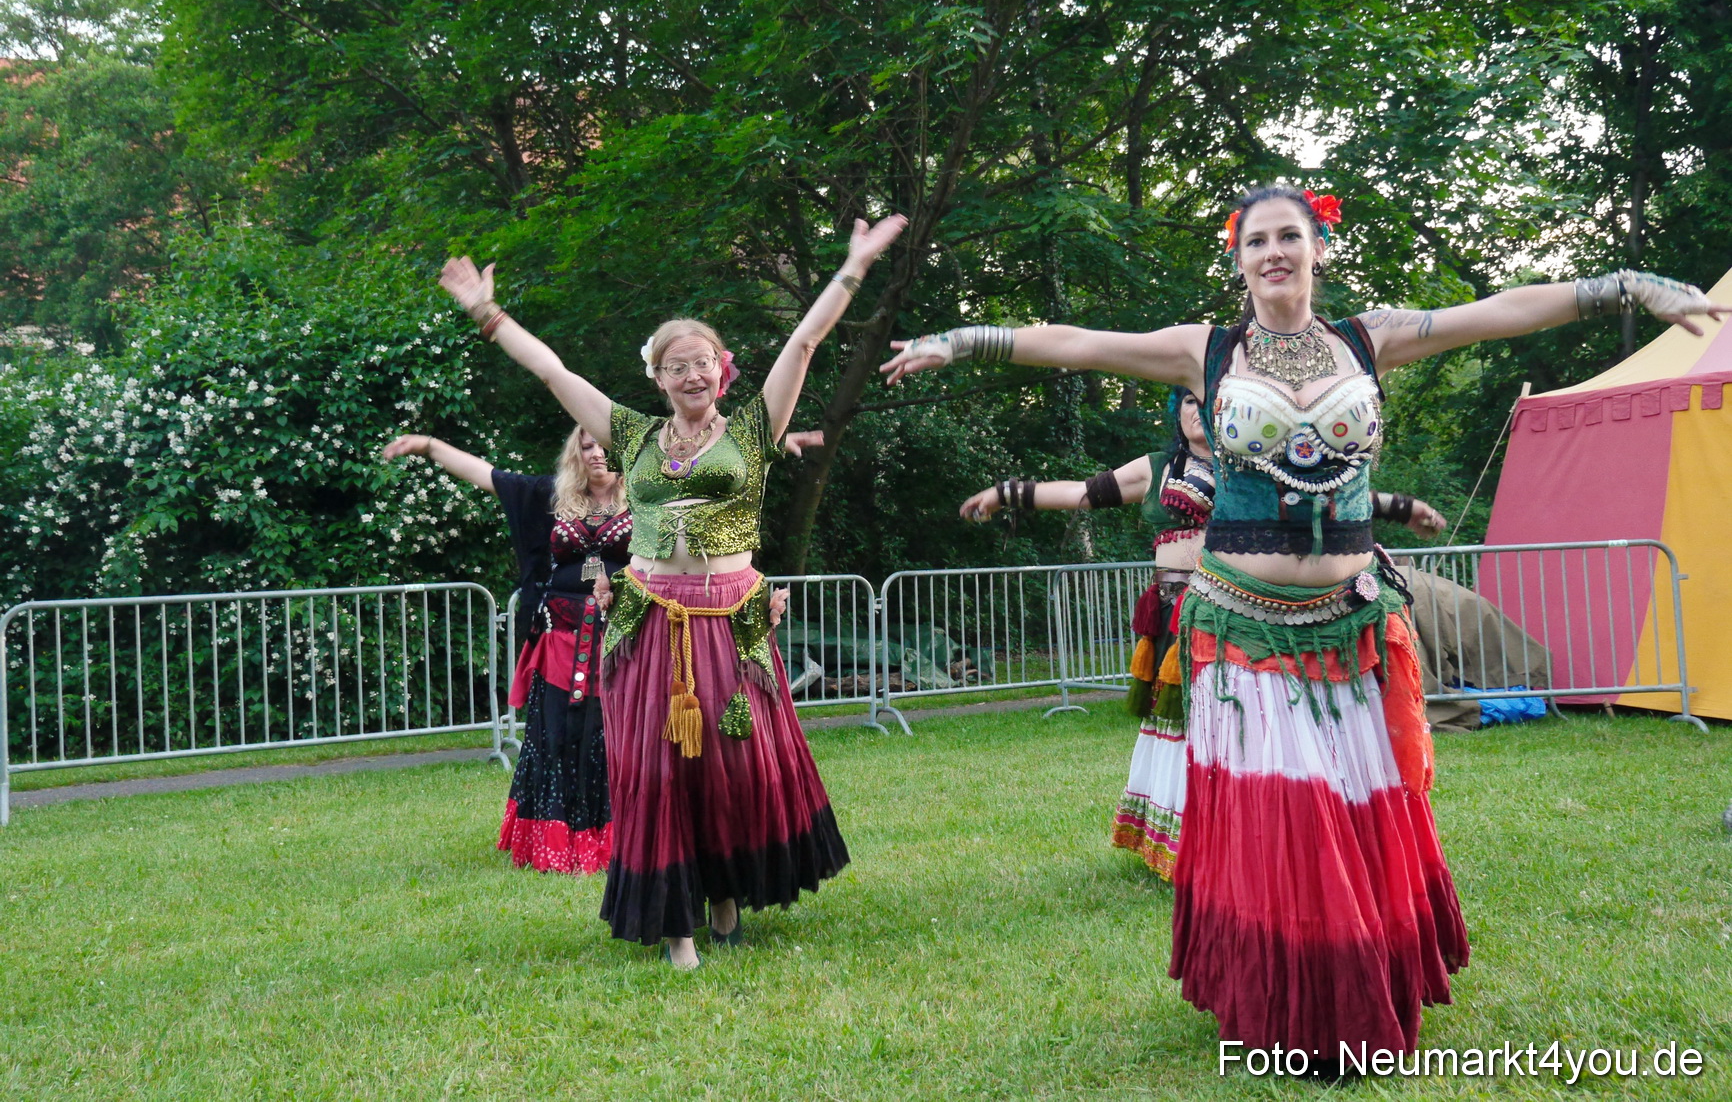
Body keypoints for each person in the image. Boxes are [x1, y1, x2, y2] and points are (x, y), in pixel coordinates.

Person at [886, 184, 1728, 1056]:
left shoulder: (1371, 338)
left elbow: (1499, 311)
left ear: (1318, 247)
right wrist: (963, 340)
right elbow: (1077, 343)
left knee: (1355, 805)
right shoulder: (1204, 352)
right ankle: (1293, 1003)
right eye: (1258, 241)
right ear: (1239, 256)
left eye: (1290, 236)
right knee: (1285, 817)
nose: (1275, 252)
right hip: (1242, 629)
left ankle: (1359, 979)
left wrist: (1626, 284)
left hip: (1346, 624)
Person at [440, 212, 907, 969]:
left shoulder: (753, 430)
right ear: (656, 378)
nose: (692, 375)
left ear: (723, 368)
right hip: (649, 621)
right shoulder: (632, 436)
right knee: (654, 769)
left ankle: (725, 894)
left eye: (703, 363)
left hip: (731, 626)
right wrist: (488, 313)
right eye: (675, 366)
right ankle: (676, 924)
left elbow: (806, 342)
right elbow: (554, 373)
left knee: (732, 764)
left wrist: (852, 267)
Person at [960, 391, 1445, 880]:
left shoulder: (1259, 465)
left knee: (1245, 725)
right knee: (1184, 726)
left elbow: (1330, 498)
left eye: (1207, 401)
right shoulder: (1158, 467)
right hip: (1177, 615)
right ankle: (1188, 844)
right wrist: (1007, 493)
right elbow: (1081, 492)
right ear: (1177, 412)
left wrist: (1401, 507)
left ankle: (1257, 843)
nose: (1196, 410)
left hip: (1245, 616)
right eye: (1187, 401)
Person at [383, 427, 628, 875]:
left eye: (604, 447)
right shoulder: (549, 496)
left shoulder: (648, 498)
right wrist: (431, 447)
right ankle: (555, 842)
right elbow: (487, 475)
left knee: (611, 738)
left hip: (625, 641)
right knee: (557, 734)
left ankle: (617, 840)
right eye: (587, 446)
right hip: (560, 638)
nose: (596, 454)